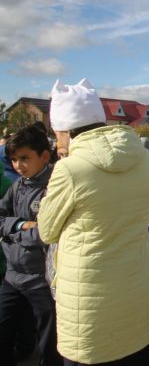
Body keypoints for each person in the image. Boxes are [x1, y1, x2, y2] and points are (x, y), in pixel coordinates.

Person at [38, 78, 149, 365]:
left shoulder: (69, 170)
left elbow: (46, 230)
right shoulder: (144, 158)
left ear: (66, 130)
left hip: (90, 302)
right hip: (137, 288)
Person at [0, 126, 62, 366]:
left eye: (24, 158)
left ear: (44, 156)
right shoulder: (18, 185)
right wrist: (21, 225)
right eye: (14, 159)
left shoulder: (54, 187)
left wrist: (11, 232)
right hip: (13, 276)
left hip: (41, 279)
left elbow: (46, 233)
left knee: (49, 342)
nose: (18, 165)